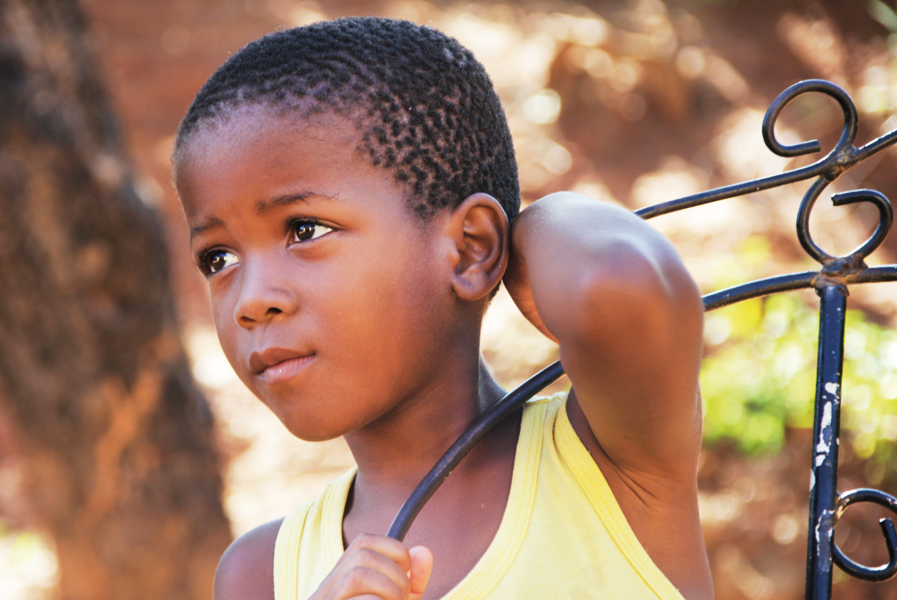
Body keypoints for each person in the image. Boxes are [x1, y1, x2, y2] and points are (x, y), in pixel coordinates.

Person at [172, 16, 713, 600]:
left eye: (305, 229)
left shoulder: (613, 463)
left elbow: (614, 283)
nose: (251, 300)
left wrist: (522, 233)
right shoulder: (261, 575)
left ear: (470, 246)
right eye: (218, 259)